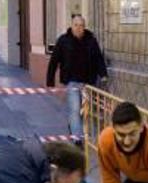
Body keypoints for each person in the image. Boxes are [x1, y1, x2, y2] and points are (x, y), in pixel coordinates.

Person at [46, 14, 108, 146]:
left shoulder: (91, 40)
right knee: (74, 109)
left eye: (82, 26)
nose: (79, 28)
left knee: (83, 110)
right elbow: (54, 61)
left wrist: (103, 74)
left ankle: (73, 127)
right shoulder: (63, 40)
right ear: (71, 26)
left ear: (84, 27)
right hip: (72, 82)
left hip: (88, 82)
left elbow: (98, 58)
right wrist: (50, 81)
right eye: (76, 25)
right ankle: (77, 139)